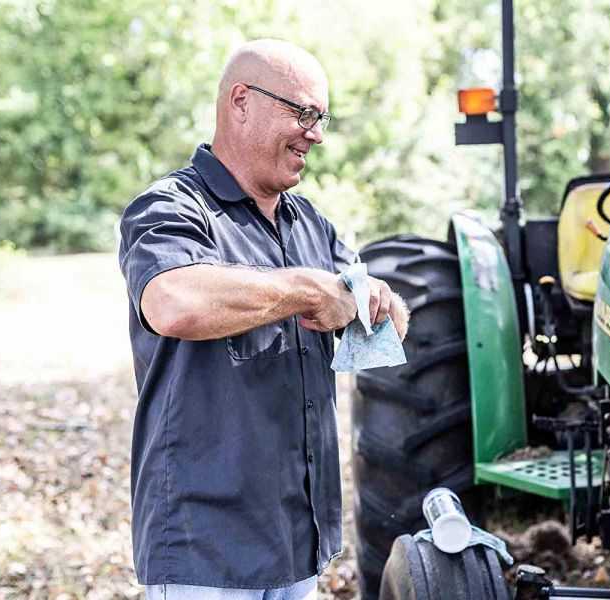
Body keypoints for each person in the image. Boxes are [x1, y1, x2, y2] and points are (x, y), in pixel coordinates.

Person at [118, 39, 409, 600]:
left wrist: (380, 301)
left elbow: (381, 322)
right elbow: (173, 302)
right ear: (241, 101)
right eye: (302, 113)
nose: (316, 134)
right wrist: (306, 290)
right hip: (206, 548)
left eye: (321, 118)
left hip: (298, 541)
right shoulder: (171, 207)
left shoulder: (311, 225)